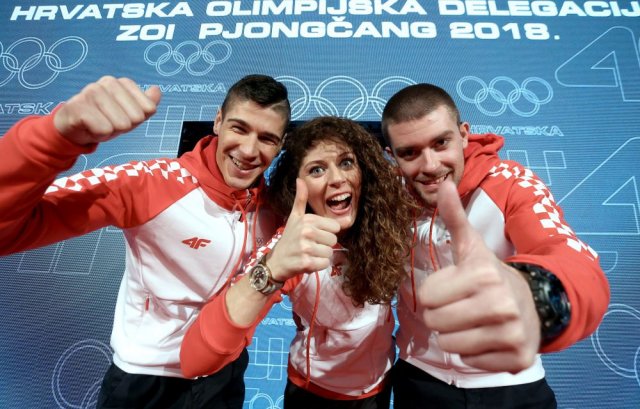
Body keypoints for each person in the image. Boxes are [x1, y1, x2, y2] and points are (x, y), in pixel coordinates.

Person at [0, 74, 291, 408]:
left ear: (280, 144)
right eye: (239, 128)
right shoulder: (150, 184)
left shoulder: (278, 211)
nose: (249, 150)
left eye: (267, 138)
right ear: (218, 121)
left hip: (224, 378)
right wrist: (54, 137)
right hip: (143, 380)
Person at [380, 83, 610, 408]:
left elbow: (568, 256)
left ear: (463, 134)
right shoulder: (385, 196)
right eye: (410, 153)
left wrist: (535, 295)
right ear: (392, 156)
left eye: (441, 143)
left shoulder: (511, 183)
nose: (430, 165)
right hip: (418, 380)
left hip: (511, 386)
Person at [180, 116, 417, 409]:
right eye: (317, 169)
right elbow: (197, 359)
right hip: (313, 392)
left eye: (346, 163)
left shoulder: (389, 221)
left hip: (379, 386)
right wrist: (271, 270)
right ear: (297, 186)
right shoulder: (293, 245)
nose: (337, 179)